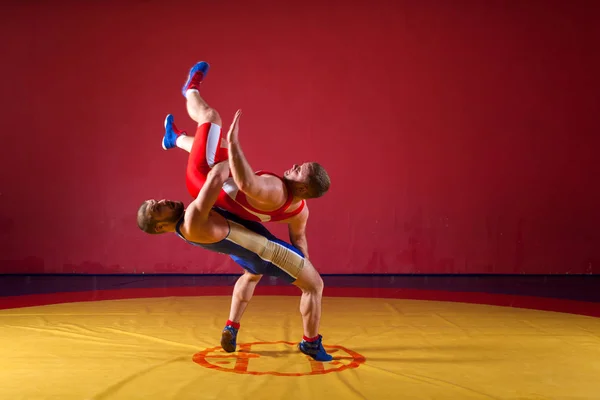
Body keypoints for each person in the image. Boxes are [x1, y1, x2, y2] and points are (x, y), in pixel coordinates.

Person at [138, 110, 333, 362]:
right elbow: (218, 175)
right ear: (159, 226)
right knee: (315, 286)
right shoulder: (194, 217)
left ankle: (231, 326)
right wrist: (230, 146)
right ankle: (311, 344)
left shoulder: (189, 222)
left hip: (245, 250)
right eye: (157, 207)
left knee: (251, 274)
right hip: (264, 251)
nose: (163, 200)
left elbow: (297, 233)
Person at [161, 61, 331, 260]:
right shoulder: (300, 211)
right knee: (217, 144)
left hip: (205, 179)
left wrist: (236, 143)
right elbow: (299, 238)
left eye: (299, 170)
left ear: (303, 188)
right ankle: (174, 138)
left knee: (211, 118)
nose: (294, 165)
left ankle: (190, 89)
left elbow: (245, 183)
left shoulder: (276, 190)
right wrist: (305, 267)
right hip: (221, 181)